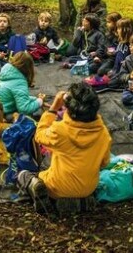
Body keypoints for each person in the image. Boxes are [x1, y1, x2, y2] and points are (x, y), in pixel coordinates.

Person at [17, 82, 112, 214]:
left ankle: (37, 187)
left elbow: (39, 135)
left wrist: (53, 108)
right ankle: (80, 202)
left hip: (57, 187)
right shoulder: (103, 133)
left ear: (68, 108)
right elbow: (104, 162)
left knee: (22, 174)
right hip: (88, 188)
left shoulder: (60, 130)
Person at [0, 51, 44, 119]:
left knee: (34, 104)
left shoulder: (6, 72)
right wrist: (39, 101)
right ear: (28, 67)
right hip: (1, 115)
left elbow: (18, 96)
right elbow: (24, 109)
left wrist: (35, 99)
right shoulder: (19, 82)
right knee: (37, 112)